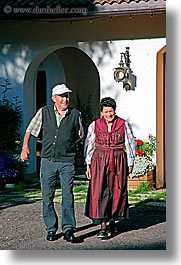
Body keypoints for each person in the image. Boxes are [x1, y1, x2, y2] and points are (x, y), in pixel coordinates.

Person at [21, 84, 84, 242]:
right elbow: (30, 129)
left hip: (67, 161)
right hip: (47, 160)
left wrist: (68, 144)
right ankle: (51, 228)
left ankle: (69, 229)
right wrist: (25, 146)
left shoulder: (75, 114)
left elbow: (80, 134)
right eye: (62, 96)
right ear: (54, 98)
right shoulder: (44, 112)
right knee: (47, 196)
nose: (65, 99)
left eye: (67, 96)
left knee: (67, 195)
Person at [84, 97, 136, 239]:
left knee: (117, 190)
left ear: (115, 110)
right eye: (106, 112)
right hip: (99, 160)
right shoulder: (94, 125)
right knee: (100, 190)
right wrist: (88, 164)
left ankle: (112, 223)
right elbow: (89, 144)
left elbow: (130, 143)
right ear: (101, 112)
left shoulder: (123, 124)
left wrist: (130, 163)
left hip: (118, 160)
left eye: (111, 111)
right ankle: (103, 225)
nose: (108, 114)